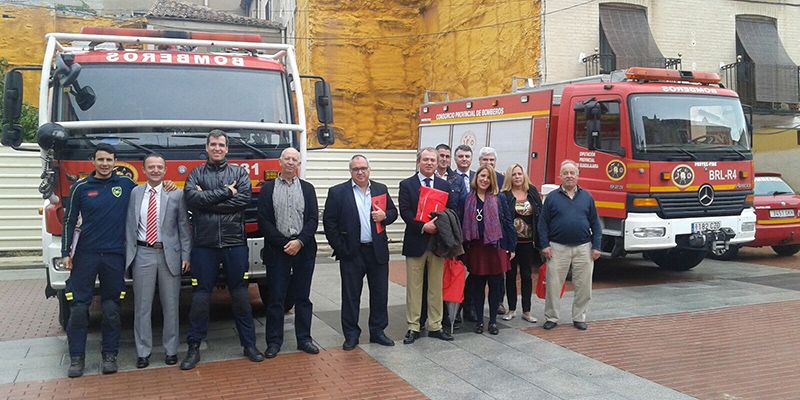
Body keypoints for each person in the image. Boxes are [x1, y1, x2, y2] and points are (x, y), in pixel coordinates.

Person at [181, 130, 263, 370]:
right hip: (204, 245)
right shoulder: (196, 173)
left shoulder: (239, 172)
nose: (217, 148)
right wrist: (227, 192)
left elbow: (244, 200)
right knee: (200, 298)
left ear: (227, 149)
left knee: (240, 296)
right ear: (206, 148)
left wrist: (206, 202)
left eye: (221, 145)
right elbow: (191, 201)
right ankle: (194, 347)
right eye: (213, 144)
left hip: (234, 243)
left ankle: (249, 345)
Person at [62, 143, 137, 378]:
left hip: (114, 255)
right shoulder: (81, 187)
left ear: (116, 162)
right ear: (93, 161)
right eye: (101, 159)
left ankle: (109, 355)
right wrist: (66, 253)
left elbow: (147, 197)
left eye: (109, 160)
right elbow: (69, 220)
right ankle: (76, 358)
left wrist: (165, 184)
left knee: (111, 309)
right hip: (86, 255)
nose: (105, 164)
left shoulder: (126, 185)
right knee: (78, 308)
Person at [323, 155, 398, 350]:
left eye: (363, 168)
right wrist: (341, 248)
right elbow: (329, 223)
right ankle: (351, 335)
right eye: (356, 169)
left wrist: (385, 216)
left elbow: (393, 212)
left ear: (369, 169)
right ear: (350, 171)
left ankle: (378, 331)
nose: (360, 172)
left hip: (377, 251)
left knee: (380, 294)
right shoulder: (338, 192)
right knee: (350, 296)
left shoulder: (380, 189)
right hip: (352, 253)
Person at [125, 153, 191, 369]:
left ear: (165, 170)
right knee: (142, 307)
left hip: (168, 255)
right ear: (143, 170)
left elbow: (184, 227)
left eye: (159, 167)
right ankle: (143, 352)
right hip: (142, 254)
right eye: (151, 167)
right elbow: (128, 226)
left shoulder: (176, 194)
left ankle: (171, 351)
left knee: (171, 306)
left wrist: (186, 255)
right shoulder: (135, 193)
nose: (155, 170)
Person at [258, 147, 320, 358]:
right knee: (276, 298)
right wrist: (286, 243)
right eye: (287, 159)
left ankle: (304, 339)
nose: (291, 162)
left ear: (299, 164)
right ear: (280, 162)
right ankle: (274, 342)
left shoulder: (308, 189)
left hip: (304, 250)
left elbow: (313, 219)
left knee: (303, 297)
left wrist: (300, 242)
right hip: (278, 251)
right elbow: (264, 222)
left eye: (295, 159)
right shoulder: (267, 189)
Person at [398, 147, 458, 344]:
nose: (430, 163)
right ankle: (413, 326)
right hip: (416, 241)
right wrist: (424, 226)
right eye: (426, 159)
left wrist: (438, 226)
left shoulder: (444, 185)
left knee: (435, 287)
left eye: (433, 160)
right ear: (419, 162)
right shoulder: (406, 184)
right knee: (414, 288)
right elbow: (405, 212)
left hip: (437, 244)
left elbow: (449, 212)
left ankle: (435, 325)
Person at [538, 160, 602, 331]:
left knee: (584, 286)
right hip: (557, 248)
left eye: (572, 173)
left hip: (583, 248)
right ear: (560, 175)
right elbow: (542, 223)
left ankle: (579, 317)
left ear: (578, 175)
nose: (569, 176)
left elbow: (595, 223)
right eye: (565, 173)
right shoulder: (551, 198)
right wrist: (544, 245)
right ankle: (552, 317)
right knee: (553, 285)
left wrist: (596, 246)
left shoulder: (587, 197)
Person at [458, 166, 516, 335]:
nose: (484, 180)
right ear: (477, 178)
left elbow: (507, 222)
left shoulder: (499, 198)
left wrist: (511, 246)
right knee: (477, 286)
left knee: (495, 286)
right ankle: (479, 322)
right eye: (482, 176)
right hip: (476, 248)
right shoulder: (467, 198)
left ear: (492, 181)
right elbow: (462, 222)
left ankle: (492, 322)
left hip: (496, 248)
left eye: (488, 177)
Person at [500, 164, 542, 323]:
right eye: (514, 174)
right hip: (511, 243)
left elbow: (540, 214)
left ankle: (527, 310)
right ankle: (511, 309)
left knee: (526, 275)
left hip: (528, 243)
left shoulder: (532, 192)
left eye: (520, 174)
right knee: (510, 276)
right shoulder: (504, 195)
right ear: (509, 177)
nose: (517, 177)